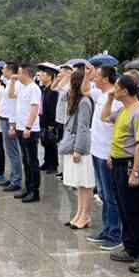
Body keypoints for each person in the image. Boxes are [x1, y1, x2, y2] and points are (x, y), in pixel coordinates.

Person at [102, 74, 139, 273]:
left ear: (125, 91)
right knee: (124, 209)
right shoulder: (123, 109)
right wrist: (109, 99)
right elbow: (104, 117)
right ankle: (130, 248)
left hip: (129, 166)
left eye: (116, 88)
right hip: (117, 164)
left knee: (136, 212)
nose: (113, 90)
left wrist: (135, 172)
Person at [82, 64, 123, 250]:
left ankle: (115, 234)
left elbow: (117, 129)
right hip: (96, 151)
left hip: (107, 153)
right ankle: (107, 230)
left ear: (106, 78)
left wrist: (112, 154)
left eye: (97, 76)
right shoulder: (101, 94)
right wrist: (87, 74)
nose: (94, 78)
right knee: (104, 195)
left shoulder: (116, 99)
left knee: (111, 196)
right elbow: (84, 90)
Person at [60, 69, 95, 229]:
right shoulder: (75, 100)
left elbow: (83, 127)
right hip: (74, 145)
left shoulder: (84, 102)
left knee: (85, 183)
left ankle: (85, 215)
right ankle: (79, 213)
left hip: (81, 147)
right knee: (79, 184)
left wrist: (78, 149)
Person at [9, 64, 42, 203]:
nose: (18, 75)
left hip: (30, 130)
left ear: (26, 74)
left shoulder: (34, 88)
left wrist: (28, 127)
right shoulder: (21, 87)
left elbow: (35, 108)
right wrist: (12, 81)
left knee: (32, 161)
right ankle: (27, 188)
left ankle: (35, 191)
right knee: (25, 160)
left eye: (19, 73)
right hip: (20, 127)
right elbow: (10, 94)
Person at [0, 62, 23, 192]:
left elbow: (13, 106)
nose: (2, 70)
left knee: (13, 152)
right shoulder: (8, 82)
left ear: (9, 70)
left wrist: (12, 126)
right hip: (4, 118)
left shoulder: (16, 85)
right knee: (9, 151)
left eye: (4, 68)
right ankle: (13, 176)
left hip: (9, 120)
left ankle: (16, 180)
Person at [51, 64, 74, 180]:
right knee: (60, 144)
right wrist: (57, 78)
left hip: (65, 120)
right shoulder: (62, 83)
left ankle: (67, 173)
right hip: (59, 119)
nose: (59, 74)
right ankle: (62, 170)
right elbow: (53, 88)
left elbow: (59, 87)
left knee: (65, 146)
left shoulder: (70, 85)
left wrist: (67, 77)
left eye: (61, 72)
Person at [38, 65, 61, 175]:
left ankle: (53, 165)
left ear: (50, 77)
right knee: (45, 142)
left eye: (43, 75)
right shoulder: (44, 89)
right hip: (43, 119)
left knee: (51, 142)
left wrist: (52, 123)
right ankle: (46, 162)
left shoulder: (53, 91)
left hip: (50, 121)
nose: (41, 77)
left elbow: (53, 108)